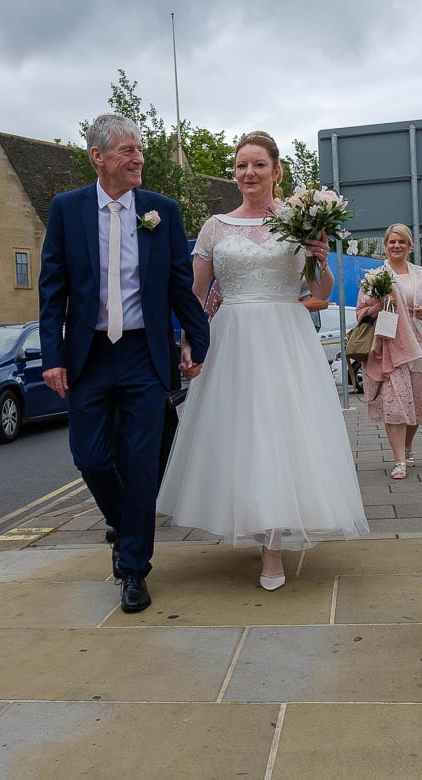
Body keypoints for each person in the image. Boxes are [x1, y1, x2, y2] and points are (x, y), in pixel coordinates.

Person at [156, 131, 368, 591]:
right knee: (240, 436)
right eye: (240, 166)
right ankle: (259, 529)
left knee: (280, 431)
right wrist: (189, 343)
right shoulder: (216, 227)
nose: (248, 173)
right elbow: (195, 294)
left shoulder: (299, 223)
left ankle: (272, 546)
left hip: (285, 337)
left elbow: (320, 293)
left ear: (276, 170)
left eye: (257, 165)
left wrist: (321, 257)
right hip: (231, 336)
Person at [38, 114, 210, 614]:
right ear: (98, 157)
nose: (138, 159)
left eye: (139, 150)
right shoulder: (67, 210)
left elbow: (181, 284)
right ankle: (125, 522)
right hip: (89, 355)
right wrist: (53, 356)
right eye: (127, 151)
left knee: (140, 464)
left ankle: (133, 567)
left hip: (142, 354)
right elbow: (53, 290)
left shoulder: (162, 212)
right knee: (90, 458)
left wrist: (195, 341)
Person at [357, 224, 422, 479]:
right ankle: (399, 461)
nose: (397, 246)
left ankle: (407, 446)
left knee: (416, 400)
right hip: (388, 343)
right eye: (392, 242)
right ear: (386, 245)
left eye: (402, 242)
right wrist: (381, 305)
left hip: (418, 343)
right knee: (395, 404)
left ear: (409, 246)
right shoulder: (374, 275)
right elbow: (361, 314)